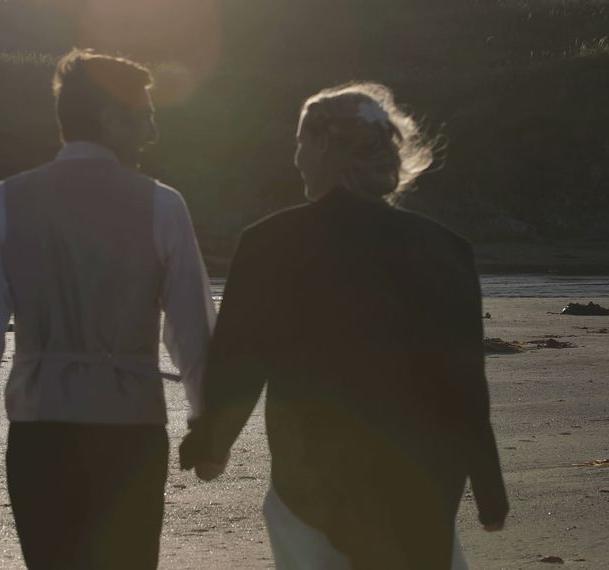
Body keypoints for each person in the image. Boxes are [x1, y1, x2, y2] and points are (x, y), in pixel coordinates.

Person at [180, 82, 508, 569]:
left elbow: (241, 361)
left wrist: (211, 444)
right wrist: (489, 491)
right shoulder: (445, 250)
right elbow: (462, 383)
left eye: (300, 143)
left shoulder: (271, 243)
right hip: (416, 491)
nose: (295, 159)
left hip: (312, 485)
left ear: (325, 147)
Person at [0, 49, 215, 569]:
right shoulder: (161, 205)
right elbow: (192, 332)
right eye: (145, 117)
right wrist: (208, 424)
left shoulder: (4, 202)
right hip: (130, 436)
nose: (152, 133)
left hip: (41, 436)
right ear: (111, 119)